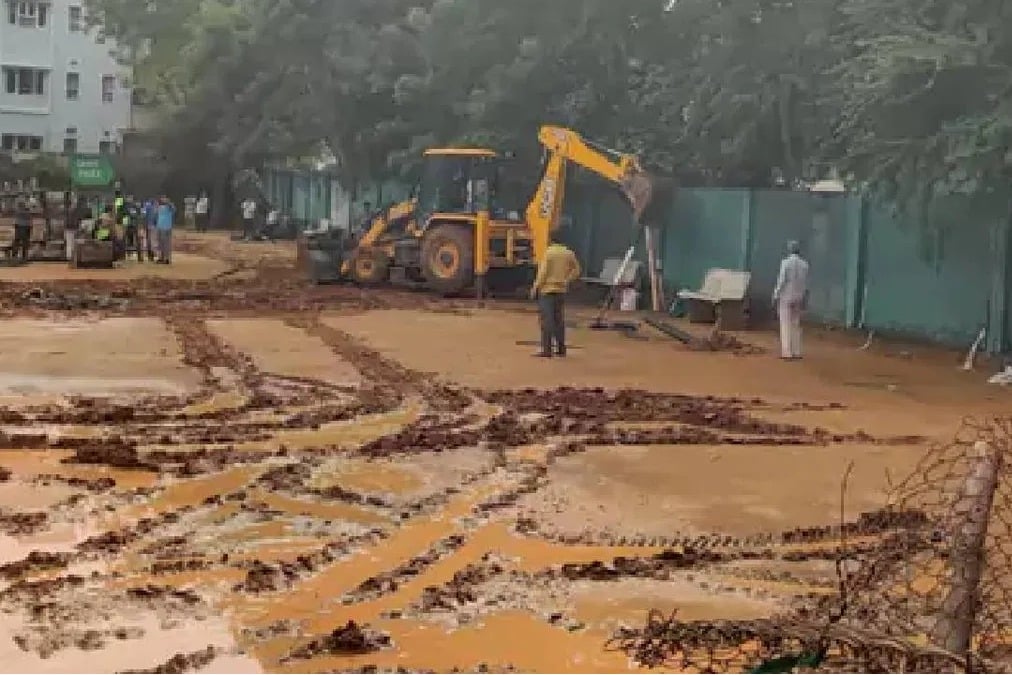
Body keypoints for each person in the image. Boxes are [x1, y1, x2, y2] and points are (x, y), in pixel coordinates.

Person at [529, 233, 581, 358]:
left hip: (547, 290)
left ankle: (547, 350)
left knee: (547, 321)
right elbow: (577, 270)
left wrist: (535, 287)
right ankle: (561, 348)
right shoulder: (569, 253)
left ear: (550, 240)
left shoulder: (549, 253)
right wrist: (566, 280)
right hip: (561, 290)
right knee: (559, 320)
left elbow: (543, 273)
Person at [772, 240, 810, 361]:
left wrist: (775, 294)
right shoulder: (805, 264)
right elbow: (806, 283)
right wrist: (805, 297)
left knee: (785, 323)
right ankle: (797, 351)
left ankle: (787, 352)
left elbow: (782, 280)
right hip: (799, 296)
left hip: (786, 296)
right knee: (795, 323)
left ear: (789, 249)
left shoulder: (786, 263)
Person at [66, 196, 90, 261]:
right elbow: (79, 219)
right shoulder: (74, 211)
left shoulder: (69, 210)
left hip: (72, 228)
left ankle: (72, 257)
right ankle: (71, 257)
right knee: (71, 243)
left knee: (72, 243)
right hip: (72, 228)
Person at [155, 196, 175, 264]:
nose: (163, 199)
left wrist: (169, 203)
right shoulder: (159, 207)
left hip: (166, 228)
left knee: (166, 244)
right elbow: (155, 214)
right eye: (162, 198)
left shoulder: (169, 207)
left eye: (165, 198)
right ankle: (161, 258)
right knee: (160, 244)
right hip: (159, 227)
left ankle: (167, 258)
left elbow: (173, 209)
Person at [143, 197, 159, 261]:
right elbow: (156, 217)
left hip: (149, 225)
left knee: (149, 240)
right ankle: (152, 253)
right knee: (152, 240)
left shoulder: (147, 207)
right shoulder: (155, 208)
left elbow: (144, 216)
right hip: (153, 226)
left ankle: (150, 254)